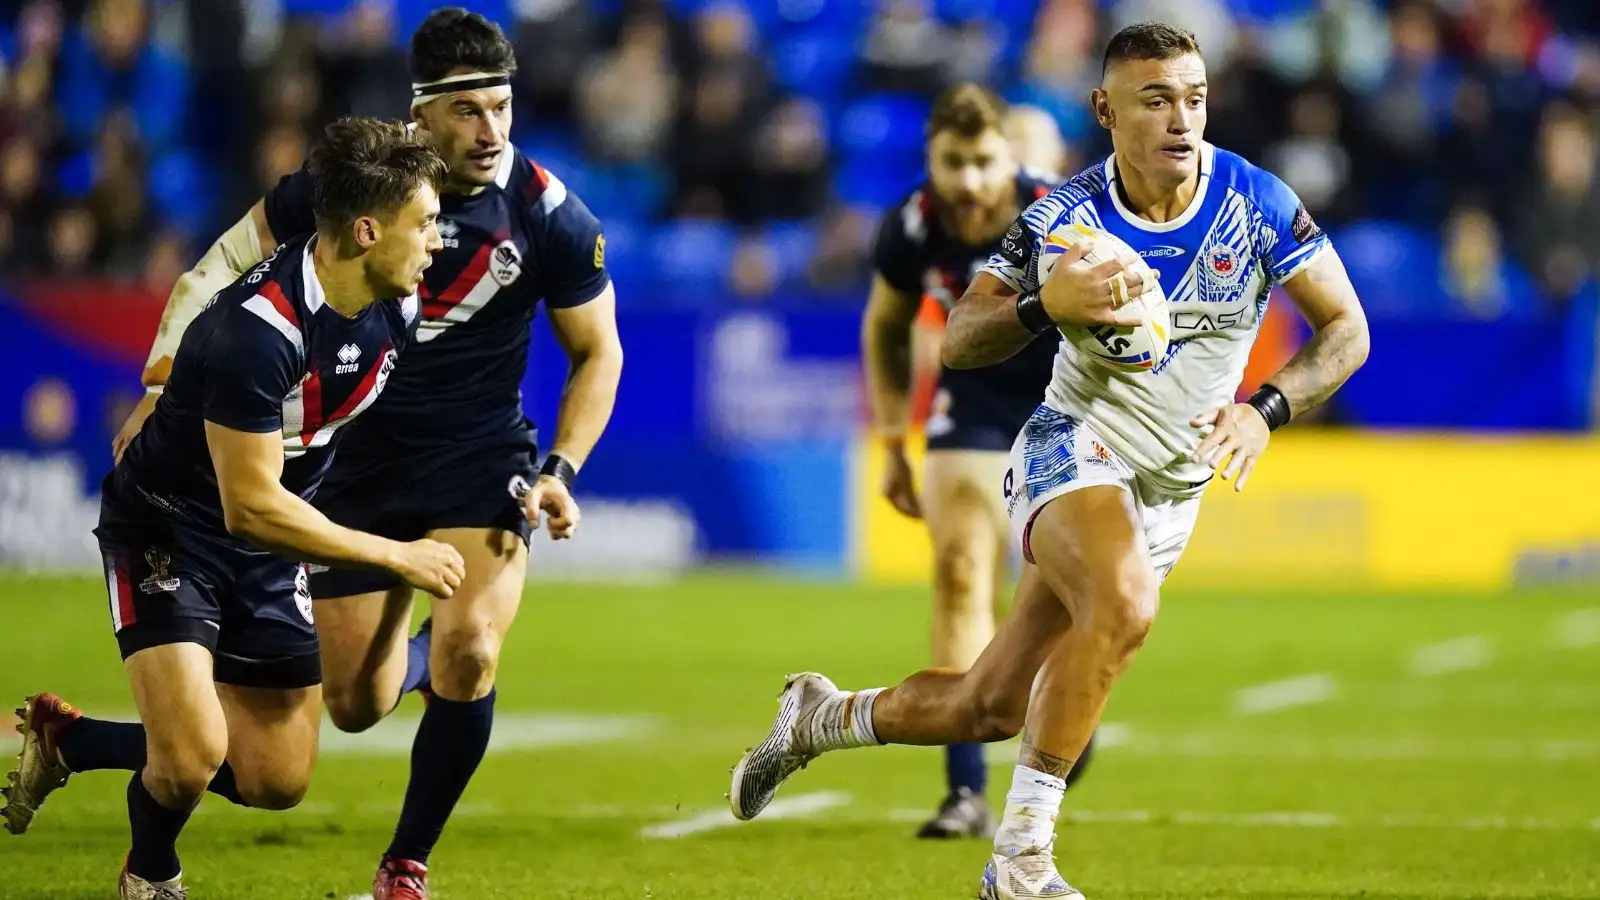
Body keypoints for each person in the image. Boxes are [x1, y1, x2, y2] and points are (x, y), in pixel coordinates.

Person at [730, 22, 1370, 899]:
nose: (1181, 118)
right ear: (1105, 109)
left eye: (1194, 97)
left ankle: (819, 718)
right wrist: (1042, 304)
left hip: (1170, 488)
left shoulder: (1255, 201)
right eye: (1155, 99)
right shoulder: (1064, 218)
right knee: (1123, 600)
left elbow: (1348, 330)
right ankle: (1021, 859)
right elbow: (958, 339)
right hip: (1074, 442)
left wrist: (1267, 410)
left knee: (988, 705)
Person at [104, 9, 623, 899]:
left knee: (471, 649)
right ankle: (96, 741)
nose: (492, 129)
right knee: (353, 705)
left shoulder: (548, 214)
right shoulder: (347, 189)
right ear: (420, 115)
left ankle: (405, 863)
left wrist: (560, 470)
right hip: (353, 461)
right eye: (467, 111)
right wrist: (162, 380)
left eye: (502, 106)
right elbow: (218, 268)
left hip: (479, 456)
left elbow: (599, 352)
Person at [2, 117, 459, 900]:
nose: (437, 242)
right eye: (423, 224)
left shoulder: (398, 307)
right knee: (189, 757)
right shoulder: (259, 332)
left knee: (275, 779)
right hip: (171, 527)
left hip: (268, 545)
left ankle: (69, 741)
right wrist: (395, 554)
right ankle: (151, 874)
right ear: (364, 230)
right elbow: (249, 506)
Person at [863, 83, 1094, 840]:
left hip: (1068, 404)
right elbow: (887, 329)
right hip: (973, 403)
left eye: (983, 162)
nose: (967, 180)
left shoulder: (1064, 216)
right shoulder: (910, 225)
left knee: (1060, 595)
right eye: (951, 162)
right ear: (930, 158)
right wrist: (896, 442)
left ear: (1011, 159)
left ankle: (1052, 715)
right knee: (962, 571)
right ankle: (965, 790)